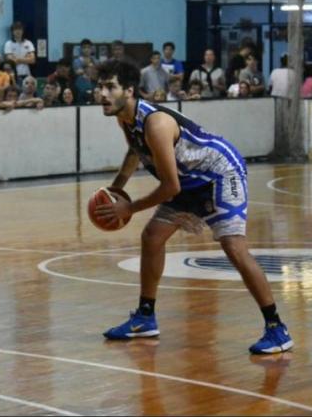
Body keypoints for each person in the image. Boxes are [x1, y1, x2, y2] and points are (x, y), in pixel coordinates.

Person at [94, 60, 293, 355]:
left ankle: (277, 329)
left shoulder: (156, 123)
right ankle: (145, 317)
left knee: (233, 246)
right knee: (152, 238)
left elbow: (170, 187)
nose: (102, 93)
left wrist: (130, 208)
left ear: (130, 91)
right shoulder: (125, 118)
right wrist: (118, 186)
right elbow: (136, 151)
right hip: (189, 179)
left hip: (219, 172)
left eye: (110, 87)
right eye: (100, 87)